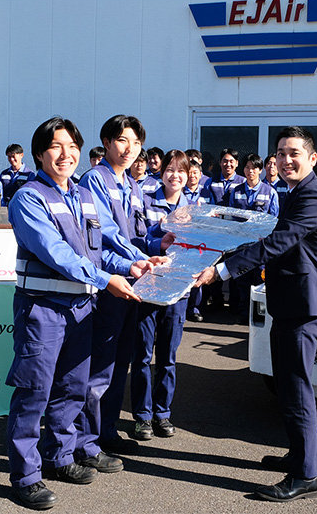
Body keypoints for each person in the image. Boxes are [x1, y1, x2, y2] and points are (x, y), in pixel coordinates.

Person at [5, 117, 151, 510]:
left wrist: (132, 265)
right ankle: (26, 476)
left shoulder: (83, 196)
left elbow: (99, 247)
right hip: (43, 310)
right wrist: (106, 280)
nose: (66, 154)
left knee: (72, 388)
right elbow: (55, 252)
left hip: (81, 309)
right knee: (34, 392)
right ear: (39, 152)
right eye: (56, 146)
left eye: (72, 146)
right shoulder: (28, 197)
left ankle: (59, 457)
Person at [195, 126, 317, 502]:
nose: (286, 160)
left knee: (296, 388)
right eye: (281, 153)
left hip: (303, 307)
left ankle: (306, 476)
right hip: (289, 302)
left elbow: (278, 243)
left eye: (294, 153)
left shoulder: (315, 198)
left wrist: (222, 270)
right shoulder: (296, 193)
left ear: (312, 158)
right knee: (288, 386)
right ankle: (300, 455)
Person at [77, 114, 163, 472]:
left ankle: (107, 429)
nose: (130, 149)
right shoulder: (93, 180)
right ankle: (86, 442)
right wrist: (141, 257)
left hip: (133, 280)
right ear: (108, 142)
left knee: (121, 362)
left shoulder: (131, 184)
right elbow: (109, 233)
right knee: (100, 364)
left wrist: (161, 242)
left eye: (136, 143)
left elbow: (137, 232)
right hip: (110, 282)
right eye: (123, 141)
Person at [129, 149, 190, 441]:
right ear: (161, 172)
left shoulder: (198, 209)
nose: (174, 175)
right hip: (149, 286)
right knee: (141, 355)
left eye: (181, 170)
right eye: (170, 169)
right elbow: (136, 240)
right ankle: (142, 416)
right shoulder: (145, 202)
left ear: (190, 175)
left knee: (167, 356)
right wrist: (158, 244)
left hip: (178, 289)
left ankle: (162, 414)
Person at [228, 153, 280, 315]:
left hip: (260, 245)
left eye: (254, 168)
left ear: (260, 170)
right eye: (248, 168)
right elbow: (231, 216)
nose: (251, 171)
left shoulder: (270, 192)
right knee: (241, 279)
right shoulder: (235, 191)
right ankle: (243, 314)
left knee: (260, 280)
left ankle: (260, 314)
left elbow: (274, 219)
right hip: (240, 244)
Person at [182, 158, 206, 322]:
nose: (192, 176)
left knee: (198, 274)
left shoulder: (207, 192)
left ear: (200, 174)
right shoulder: (180, 193)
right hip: (184, 239)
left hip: (202, 240)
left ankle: (194, 308)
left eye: (195, 173)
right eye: (189, 173)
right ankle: (182, 307)